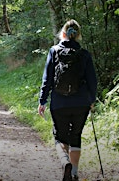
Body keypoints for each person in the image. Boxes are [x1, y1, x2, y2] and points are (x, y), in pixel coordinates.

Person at [38, 19, 97, 181]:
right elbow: (92, 80)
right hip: (81, 103)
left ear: (63, 34)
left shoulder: (54, 51)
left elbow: (47, 79)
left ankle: (65, 163)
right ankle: (75, 173)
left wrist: (42, 101)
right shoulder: (84, 54)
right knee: (75, 136)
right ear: (78, 35)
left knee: (60, 137)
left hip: (59, 103)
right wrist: (91, 100)